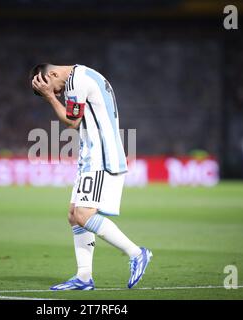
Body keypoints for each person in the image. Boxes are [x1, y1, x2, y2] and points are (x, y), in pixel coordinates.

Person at [30, 63, 152, 290]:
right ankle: (84, 277)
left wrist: (50, 98)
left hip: (99, 157)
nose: (57, 93)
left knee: (83, 215)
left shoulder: (76, 81)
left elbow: (72, 122)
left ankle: (136, 253)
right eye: (54, 93)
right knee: (73, 215)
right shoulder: (85, 74)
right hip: (93, 154)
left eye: (53, 88)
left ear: (53, 74)